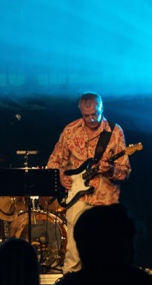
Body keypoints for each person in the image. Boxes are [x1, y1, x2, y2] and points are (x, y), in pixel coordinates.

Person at [46, 92, 131, 273]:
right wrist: (60, 175)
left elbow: (125, 172)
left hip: (106, 200)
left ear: (102, 108)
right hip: (78, 199)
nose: (92, 119)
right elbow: (53, 162)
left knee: (108, 251)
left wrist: (110, 170)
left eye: (95, 114)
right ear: (80, 112)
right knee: (74, 251)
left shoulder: (115, 132)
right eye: (86, 116)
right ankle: (71, 284)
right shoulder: (70, 130)